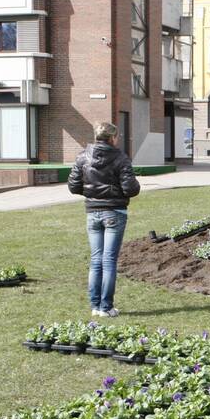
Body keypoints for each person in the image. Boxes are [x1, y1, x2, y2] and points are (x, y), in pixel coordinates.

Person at [67, 122, 140, 318]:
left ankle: (95, 306)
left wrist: (92, 193)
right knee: (108, 261)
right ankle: (106, 307)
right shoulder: (121, 158)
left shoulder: (83, 156)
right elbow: (131, 189)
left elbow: (73, 186)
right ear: (113, 138)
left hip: (93, 213)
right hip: (114, 212)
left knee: (96, 260)